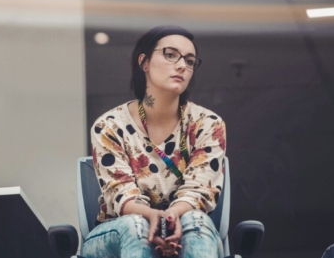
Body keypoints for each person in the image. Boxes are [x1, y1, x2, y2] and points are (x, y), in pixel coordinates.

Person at [81, 26, 226, 258]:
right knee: (136, 226)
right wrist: (151, 216)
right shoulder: (109, 125)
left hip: (187, 228)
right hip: (119, 232)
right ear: (144, 62)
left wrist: (171, 217)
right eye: (170, 54)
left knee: (197, 221)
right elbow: (121, 195)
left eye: (189, 61)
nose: (181, 65)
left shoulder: (206, 123)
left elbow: (200, 191)